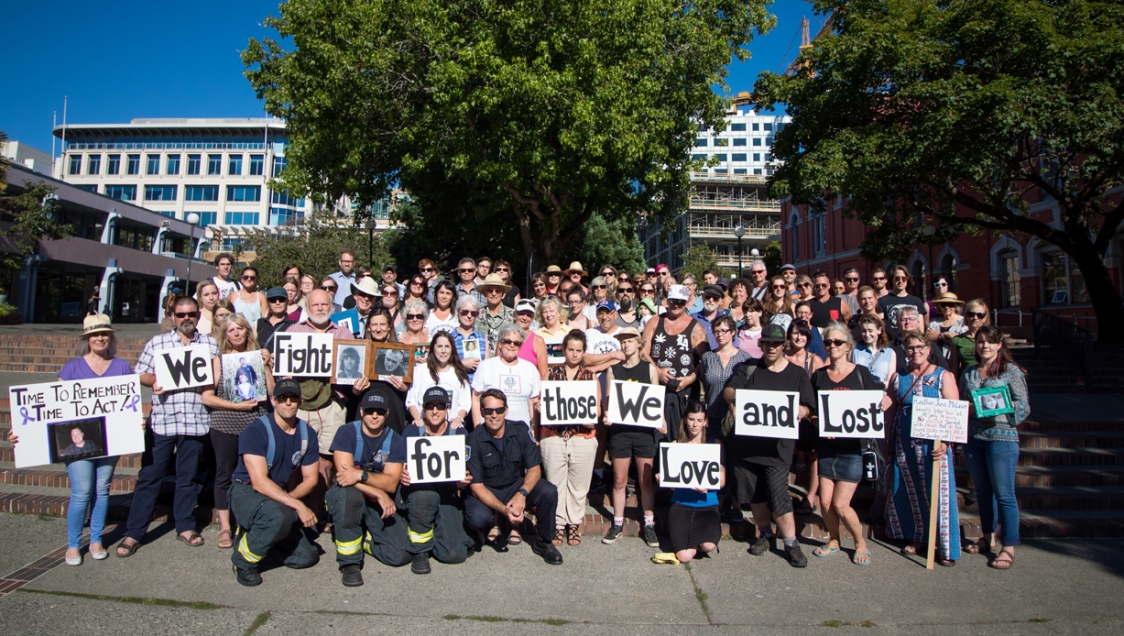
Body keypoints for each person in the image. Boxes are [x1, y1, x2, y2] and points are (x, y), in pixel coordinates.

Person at [8, 314, 133, 565]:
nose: (100, 338)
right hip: (77, 440)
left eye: (104, 333)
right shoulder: (71, 368)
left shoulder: (122, 367)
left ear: (111, 337)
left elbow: (127, 404)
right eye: (94, 334)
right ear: (86, 338)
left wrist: (135, 421)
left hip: (111, 438)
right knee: (82, 491)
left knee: (102, 489)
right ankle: (74, 544)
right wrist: (23, 432)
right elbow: (49, 409)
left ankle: (96, 539)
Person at [116, 297, 219, 557]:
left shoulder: (209, 343)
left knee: (188, 478)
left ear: (198, 316)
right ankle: (134, 532)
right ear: (173, 316)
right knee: (150, 477)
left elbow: (217, 378)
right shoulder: (158, 342)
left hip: (195, 421)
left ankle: (185, 525)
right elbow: (141, 373)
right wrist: (155, 382)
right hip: (163, 420)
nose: (187, 318)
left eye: (192, 314)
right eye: (181, 314)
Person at [721, 324, 815, 568]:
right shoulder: (749, 368)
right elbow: (729, 390)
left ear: (783, 345)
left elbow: (809, 408)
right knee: (755, 494)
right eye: (767, 343)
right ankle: (765, 534)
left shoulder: (797, 374)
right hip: (748, 446)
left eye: (776, 343)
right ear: (761, 344)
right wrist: (734, 399)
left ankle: (792, 543)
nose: (771, 347)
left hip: (778, 449)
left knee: (779, 494)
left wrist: (801, 411)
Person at [228, 380, 321, 586]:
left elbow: (311, 479)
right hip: (246, 491)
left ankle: (261, 539)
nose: (288, 403)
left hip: (277, 494)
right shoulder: (256, 430)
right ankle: (243, 561)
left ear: (300, 401)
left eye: (293, 398)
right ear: (273, 400)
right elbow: (259, 483)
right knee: (282, 515)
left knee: (307, 557)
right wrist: (296, 505)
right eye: (282, 398)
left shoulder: (307, 434)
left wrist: (289, 500)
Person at [811, 323, 889, 566]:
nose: (832, 346)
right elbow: (812, 411)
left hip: (853, 449)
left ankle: (860, 542)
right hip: (827, 447)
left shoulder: (860, 373)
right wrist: (821, 424)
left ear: (848, 346)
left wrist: (884, 401)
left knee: (840, 504)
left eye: (838, 342)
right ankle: (834, 539)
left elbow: (874, 403)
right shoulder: (819, 376)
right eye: (828, 342)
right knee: (824, 502)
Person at [884, 330, 962, 566]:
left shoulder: (943, 375)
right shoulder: (899, 377)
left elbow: (954, 411)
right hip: (904, 443)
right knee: (910, 491)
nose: (915, 351)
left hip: (934, 445)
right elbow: (891, 409)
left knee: (939, 493)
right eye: (910, 348)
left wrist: (947, 443)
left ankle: (946, 547)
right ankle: (920, 536)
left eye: (920, 347)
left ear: (929, 349)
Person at [464, 389, 563, 564]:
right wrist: (504, 510)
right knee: (476, 516)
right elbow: (476, 486)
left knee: (549, 491)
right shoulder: (473, 440)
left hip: (515, 485)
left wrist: (522, 494)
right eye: (488, 411)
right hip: (488, 488)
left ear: (506, 411)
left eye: (499, 410)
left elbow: (534, 469)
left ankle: (544, 542)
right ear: (481, 412)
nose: (494, 415)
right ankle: (475, 538)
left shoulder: (520, 430)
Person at [326, 386, 413, 585]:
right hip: (349, 495)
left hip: (375, 502)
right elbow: (343, 477)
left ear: (387, 413)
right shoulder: (346, 432)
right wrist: (378, 492)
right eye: (371, 410)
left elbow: (391, 483)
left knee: (401, 554)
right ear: (362, 411)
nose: (375, 416)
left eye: (380, 411)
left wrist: (360, 475)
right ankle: (350, 563)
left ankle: (366, 541)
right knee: (349, 496)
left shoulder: (396, 440)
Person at [959, 325, 1029, 570]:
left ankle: (1008, 545)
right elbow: (961, 404)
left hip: (1002, 439)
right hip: (974, 438)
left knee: (1004, 493)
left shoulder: (1010, 371)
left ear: (999, 345)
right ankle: (987, 536)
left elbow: (1023, 406)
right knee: (982, 490)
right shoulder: (968, 373)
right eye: (980, 342)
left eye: (990, 342)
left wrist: (1002, 412)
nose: (984, 346)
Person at [203, 315, 274, 551]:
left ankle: (251, 520)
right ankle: (225, 526)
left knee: (257, 475)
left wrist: (265, 365)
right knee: (224, 474)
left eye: (239, 329)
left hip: (255, 423)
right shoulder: (219, 360)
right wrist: (235, 405)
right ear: (225, 334)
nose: (235, 333)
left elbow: (271, 392)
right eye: (230, 330)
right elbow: (207, 396)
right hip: (225, 424)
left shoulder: (258, 356)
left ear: (247, 331)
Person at [283, 290, 355, 515]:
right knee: (296, 461)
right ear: (307, 306)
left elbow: (352, 368)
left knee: (325, 461)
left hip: (332, 404)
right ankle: (293, 511)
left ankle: (318, 513)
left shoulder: (344, 333)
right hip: (300, 405)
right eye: (316, 305)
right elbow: (285, 373)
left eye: (325, 304)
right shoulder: (294, 331)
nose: (321, 308)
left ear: (332, 307)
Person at [399, 386, 475, 574]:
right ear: (423, 408)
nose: (435, 411)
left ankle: (442, 533)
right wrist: (402, 474)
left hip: (447, 494)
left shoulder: (459, 433)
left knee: (454, 555)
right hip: (419, 494)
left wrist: (463, 480)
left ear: (447, 407)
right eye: (430, 406)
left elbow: (465, 471)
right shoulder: (411, 431)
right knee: (424, 497)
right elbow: (400, 464)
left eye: (440, 406)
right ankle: (420, 551)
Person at [601, 327, 665, 547]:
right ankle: (617, 522)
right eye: (622, 341)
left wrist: (662, 420)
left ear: (639, 343)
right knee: (619, 480)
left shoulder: (649, 370)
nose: (625, 344)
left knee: (645, 481)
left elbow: (656, 402)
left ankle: (649, 524)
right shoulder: (613, 370)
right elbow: (609, 401)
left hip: (643, 433)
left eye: (629, 340)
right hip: (620, 433)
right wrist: (607, 414)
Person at [541, 330, 600, 546]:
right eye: (570, 349)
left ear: (583, 352)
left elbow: (597, 411)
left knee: (579, 485)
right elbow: (543, 403)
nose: (574, 354)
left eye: (578, 350)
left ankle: (574, 524)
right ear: (564, 350)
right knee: (555, 484)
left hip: (581, 437)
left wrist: (590, 419)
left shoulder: (590, 376)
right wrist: (541, 406)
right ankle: (557, 525)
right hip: (554, 436)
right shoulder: (550, 373)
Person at [653, 403, 724, 565]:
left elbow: (722, 479)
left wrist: (708, 485)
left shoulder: (714, 444)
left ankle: (697, 541)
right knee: (684, 557)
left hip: (707, 504)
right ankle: (689, 541)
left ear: (706, 421)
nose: (695, 424)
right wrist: (663, 479)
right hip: (681, 505)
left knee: (709, 546)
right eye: (691, 419)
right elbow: (673, 481)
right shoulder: (676, 446)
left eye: (699, 420)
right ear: (685, 420)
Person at [641, 284, 708, 440]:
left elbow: (706, 360)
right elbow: (642, 350)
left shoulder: (695, 327)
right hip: (657, 388)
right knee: (657, 435)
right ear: (667, 301)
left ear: (686, 302)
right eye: (673, 301)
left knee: (683, 434)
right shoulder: (655, 322)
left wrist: (690, 379)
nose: (676, 305)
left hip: (685, 391)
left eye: (681, 301)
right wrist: (657, 371)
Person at [472, 323, 541, 431]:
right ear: (500, 343)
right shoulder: (486, 366)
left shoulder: (530, 369)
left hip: (521, 432)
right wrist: (477, 428)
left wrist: (534, 429)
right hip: (490, 431)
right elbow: (476, 398)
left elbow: (533, 402)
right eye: (507, 341)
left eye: (516, 343)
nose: (512, 345)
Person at [406, 331, 471, 429]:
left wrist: (459, 418)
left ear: (452, 349)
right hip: (424, 427)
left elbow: (465, 404)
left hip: (451, 428)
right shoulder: (420, 371)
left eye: (447, 346)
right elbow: (411, 401)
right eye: (440, 346)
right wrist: (417, 418)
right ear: (433, 348)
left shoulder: (459, 373)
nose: (443, 351)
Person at [697, 316, 751, 428]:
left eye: (724, 331)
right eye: (716, 331)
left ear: (732, 332)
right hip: (712, 415)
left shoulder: (744, 358)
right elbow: (703, 382)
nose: (720, 335)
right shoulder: (708, 357)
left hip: (735, 417)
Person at [877, 265, 928, 342]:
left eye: (904, 278)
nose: (900, 281)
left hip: (913, 342)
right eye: (897, 278)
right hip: (892, 343)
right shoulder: (882, 301)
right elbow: (881, 326)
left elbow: (920, 329)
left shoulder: (916, 301)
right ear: (892, 280)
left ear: (907, 280)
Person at [852, 314, 896, 387]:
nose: (867, 334)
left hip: (881, 394)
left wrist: (875, 385)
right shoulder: (855, 351)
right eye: (864, 331)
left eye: (870, 331)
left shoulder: (889, 353)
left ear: (879, 330)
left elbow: (890, 381)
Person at [453, 295, 488, 381]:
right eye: (465, 312)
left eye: (473, 313)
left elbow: (487, 368)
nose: (469, 316)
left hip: (477, 388)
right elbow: (442, 367)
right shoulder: (449, 338)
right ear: (457, 311)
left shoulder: (483, 338)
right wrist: (461, 364)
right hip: (457, 386)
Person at [951, 299, 990, 377]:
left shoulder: (991, 338)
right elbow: (954, 368)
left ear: (985, 318)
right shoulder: (957, 340)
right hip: (967, 379)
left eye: (980, 315)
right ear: (966, 316)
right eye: (971, 314)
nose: (975, 318)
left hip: (990, 378)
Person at [512, 299, 549, 378]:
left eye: (529, 315)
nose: (525, 318)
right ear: (515, 315)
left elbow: (543, 373)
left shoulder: (538, 341)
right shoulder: (504, 337)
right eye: (521, 314)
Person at [926, 292, 967, 361]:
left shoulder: (963, 322)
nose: (947, 307)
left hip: (955, 360)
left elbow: (963, 342)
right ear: (939, 307)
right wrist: (943, 335)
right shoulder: (934, 322)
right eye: (943, 304)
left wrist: (937, 336)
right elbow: (926, 338)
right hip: (935, 361)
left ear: (956, 306)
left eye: (950, 304)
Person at [535, 296, 569, 369]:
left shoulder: (570, 332)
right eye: (545, 312)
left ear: (559, 312)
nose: (548, 315)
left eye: (551, 311)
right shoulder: (536, 335)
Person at [692, 284, 725, 349]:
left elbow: (733, 346)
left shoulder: (727, 321)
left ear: (721, 301)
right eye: (708, 296)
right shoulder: (691, 319)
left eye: (715, 298)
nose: (711, 300)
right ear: (702, 297)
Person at [399, 299, 431, 365]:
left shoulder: (431, 340)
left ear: (424, 319)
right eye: (410, 316)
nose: (415, 319)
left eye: (419, 316)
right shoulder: (397, 338)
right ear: (405, 319)